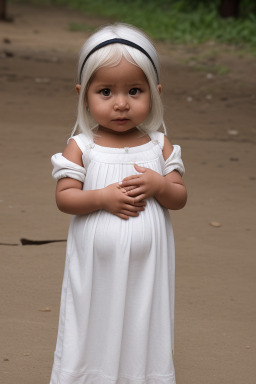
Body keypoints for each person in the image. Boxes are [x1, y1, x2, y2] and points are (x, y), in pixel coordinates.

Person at [50, 23, 187, 384]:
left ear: (155, 93)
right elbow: (65, 197)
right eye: (106, 91)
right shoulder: (83, 146)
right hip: (96, 267)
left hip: (148, 268)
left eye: (135, 91)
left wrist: (159, 184)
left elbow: (179, 196)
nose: (121, 103)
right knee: (93, 319)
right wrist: (101, 197)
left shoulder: (159, 145)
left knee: (143, 321)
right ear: (83, 95)